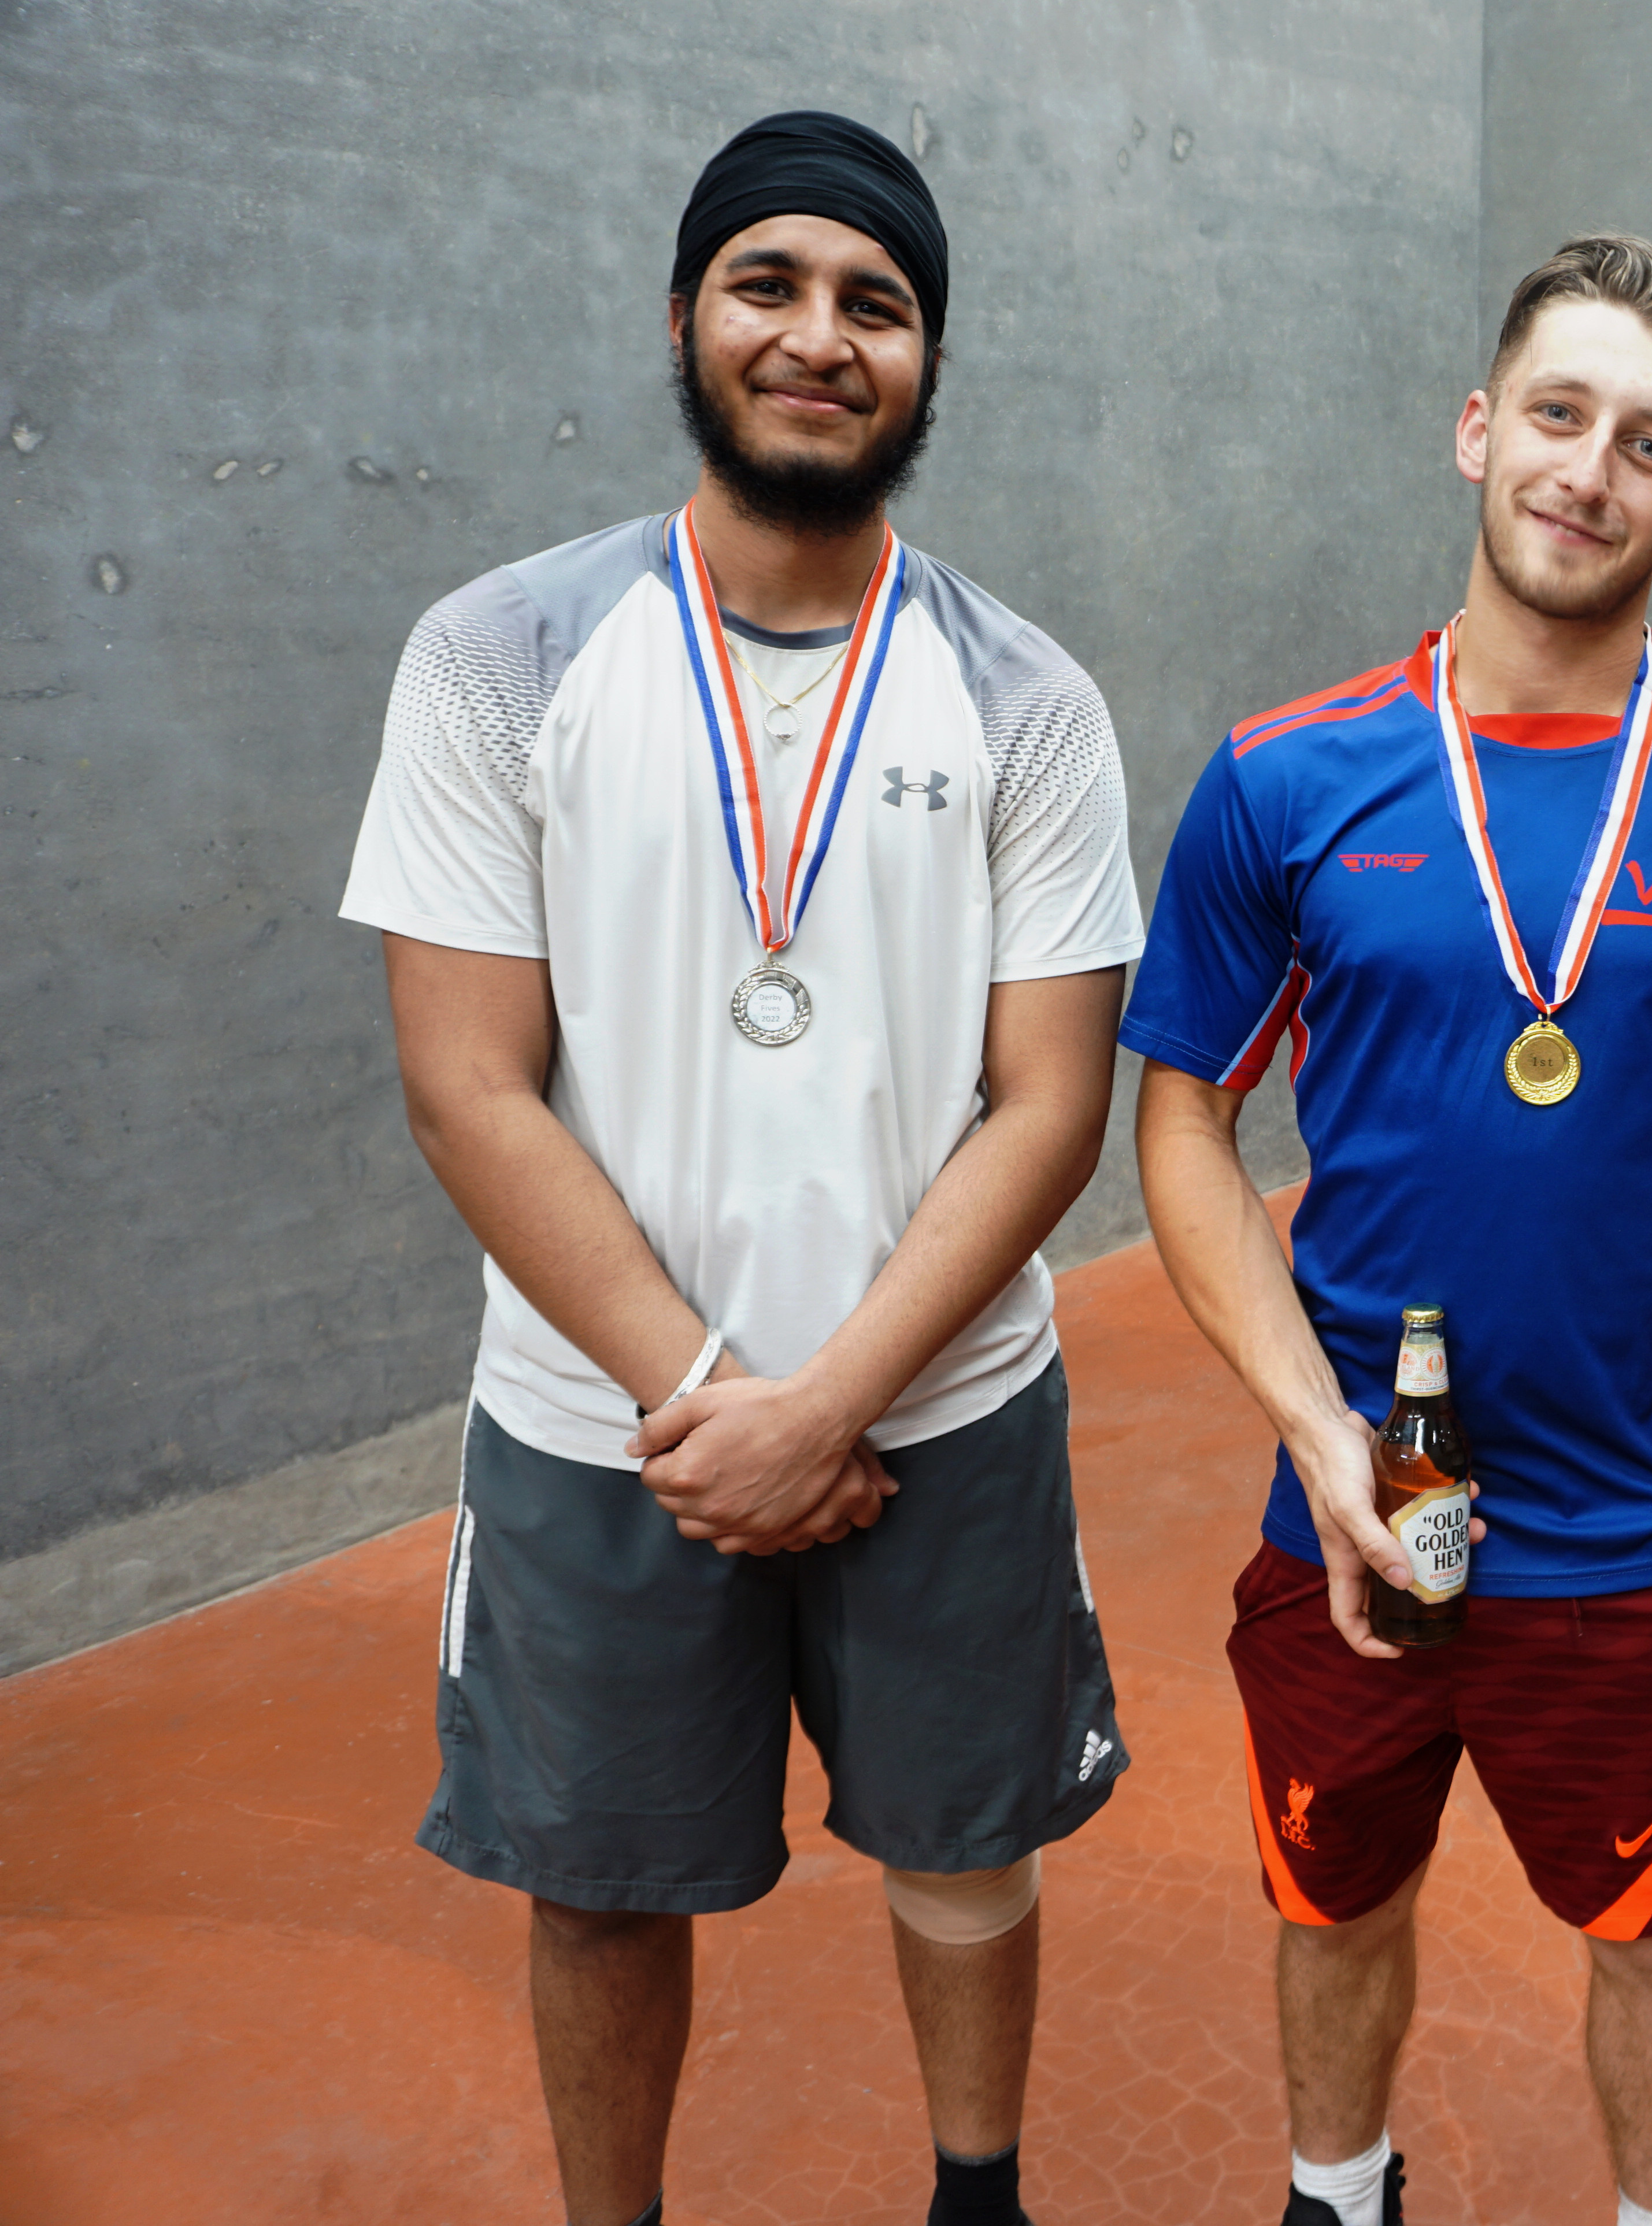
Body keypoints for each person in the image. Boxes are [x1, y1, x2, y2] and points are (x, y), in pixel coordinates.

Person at [338, 112, 1139, 2226]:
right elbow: (467, 1082)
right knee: (600, 1882)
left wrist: (831, 1400)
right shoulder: (498, 653)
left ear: (928, 358)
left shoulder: (1028, 698)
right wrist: (714, 1398)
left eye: (876, 303)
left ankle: (980, 2199)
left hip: (938, 1410)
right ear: (686, 315)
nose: (818, 336)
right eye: (767, 284)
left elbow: (1050, 1102)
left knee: (968, 1842)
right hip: (606, 1423)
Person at [1123, 234, 1652, 2226]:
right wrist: (1314, 1436)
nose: (1589, 468)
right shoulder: (1282, 774)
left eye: (1649, 443)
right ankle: (1338, 2195)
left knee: (1649, 1934)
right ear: (1480, 430)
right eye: (1559, 413)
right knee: (1334, 1901)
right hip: (1352, 1504)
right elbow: (1183, 1119)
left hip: (1634, 1512)